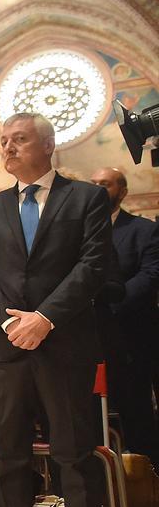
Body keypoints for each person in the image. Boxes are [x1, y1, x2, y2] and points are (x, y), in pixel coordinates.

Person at [0, 112, 112, 507]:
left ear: (48, 146)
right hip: (9, 348)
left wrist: (45, 317)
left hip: (64, 345)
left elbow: (94, 264)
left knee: (73, 454)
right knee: (9, 454)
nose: (8, 148)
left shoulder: (86, 198)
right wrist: (11, 321)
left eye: (20, 140)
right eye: (3, 142)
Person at [90, 167, 159, 474]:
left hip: (132, 337)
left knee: (137, 414)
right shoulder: (83, 231)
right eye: (93, 184)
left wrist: (110, 306)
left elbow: (150, 275)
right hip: (92, 341)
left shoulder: (143, 230)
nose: (97, 189)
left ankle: (146, 481)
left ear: (122, 192)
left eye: (105, 184)